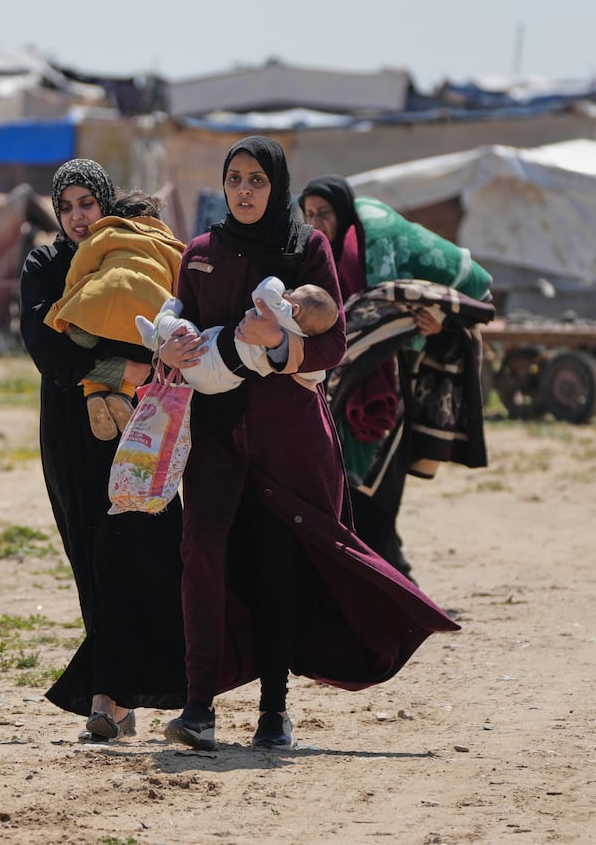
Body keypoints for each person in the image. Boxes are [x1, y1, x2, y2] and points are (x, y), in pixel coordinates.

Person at [157, 137, 458, 752]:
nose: (243, 191)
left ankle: (273, 711)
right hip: (214, 439)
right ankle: (197, 706)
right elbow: (176, 323)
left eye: (256, 181)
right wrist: (165, 349)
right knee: (202, 558)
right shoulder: (200, 252)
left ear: (277, 186)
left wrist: (276, 349)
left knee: (277, 569)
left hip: (285, 443)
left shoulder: (306, 248)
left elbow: (331, 345)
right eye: (234, 179)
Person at [19, 158, 187, 741]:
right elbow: (47, 350)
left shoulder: (130, 257)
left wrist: (139, 365)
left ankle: (116, 691)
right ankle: (109, 696)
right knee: (90, 553)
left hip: (140, 423)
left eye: (86, 204)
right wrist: (124, 363)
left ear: (106, 204)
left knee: (144, 548)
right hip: (67, 428)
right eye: (64, 207)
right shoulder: (45, 264)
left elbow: (165, 319)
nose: (75, 217)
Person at [298, 174, 492, 579]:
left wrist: (435, 322)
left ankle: (387, 574)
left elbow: (396, 301)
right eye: (309, 213)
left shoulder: (367, 248)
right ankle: (387, 567)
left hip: (388, 377)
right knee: (348, 487)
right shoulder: (311, 255)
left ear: (344, 213)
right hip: (336, 386)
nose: (316, 222)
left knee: (377, 482)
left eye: (325, 213)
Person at [43, 188, 185, 440]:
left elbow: (80, 267)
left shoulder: (107, 233)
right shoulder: (171, 248)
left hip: (95, 310)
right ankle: (123, 394)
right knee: (139, 353)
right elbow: (179, 291)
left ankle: (93, 394)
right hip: (144, 320)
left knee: (86, 342)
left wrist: (67, 307)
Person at [137, 278, 339, 393]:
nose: (288, 291)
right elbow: (315, 375)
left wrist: (280, 284)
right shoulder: (303, 340)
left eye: (294, 291)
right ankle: (158, 338)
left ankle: (157, 330)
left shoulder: (280, 314)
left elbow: (265, 290)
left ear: (295, 309)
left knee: (184, 330)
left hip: (204, 360)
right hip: (222, 383)